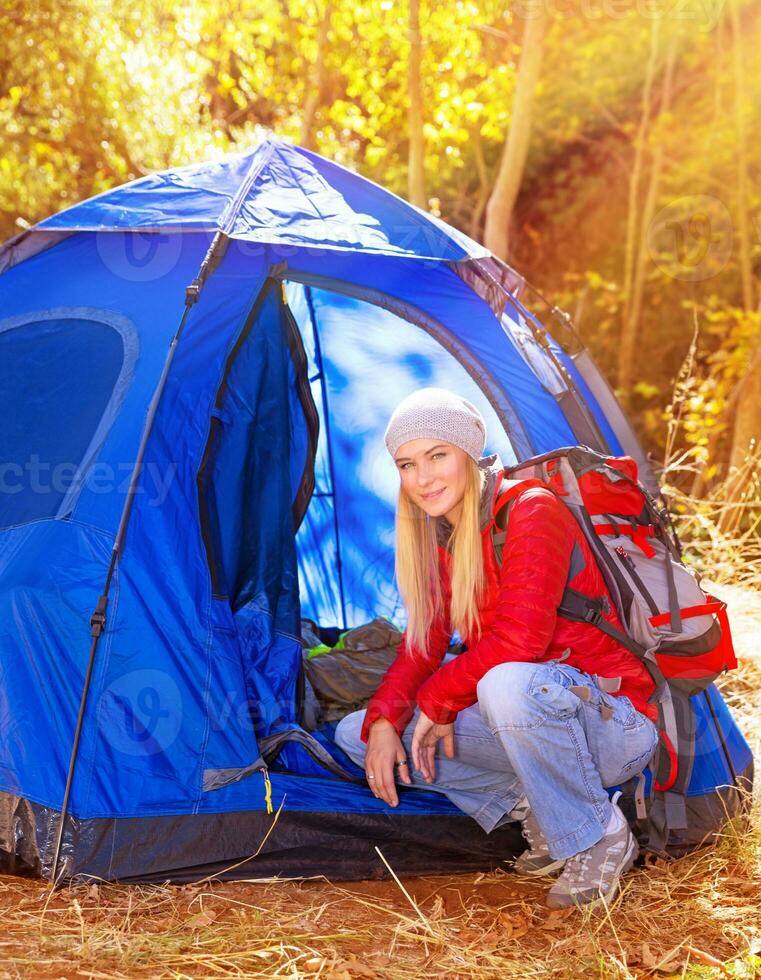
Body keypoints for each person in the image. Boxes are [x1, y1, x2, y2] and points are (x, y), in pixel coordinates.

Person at [335, 387, 659, 908]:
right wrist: (382, 721)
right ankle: (540, 808)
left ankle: (599, 833)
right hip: (529, 721)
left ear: (467, 454)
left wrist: (441, 700)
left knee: (505, 682)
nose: (423, 478)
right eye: (406, 464)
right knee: (359, 735)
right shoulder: (442, 536)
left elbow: (522, 640)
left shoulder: (532, 511)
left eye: (437, 455)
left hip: (612, 725)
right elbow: (422, 648)